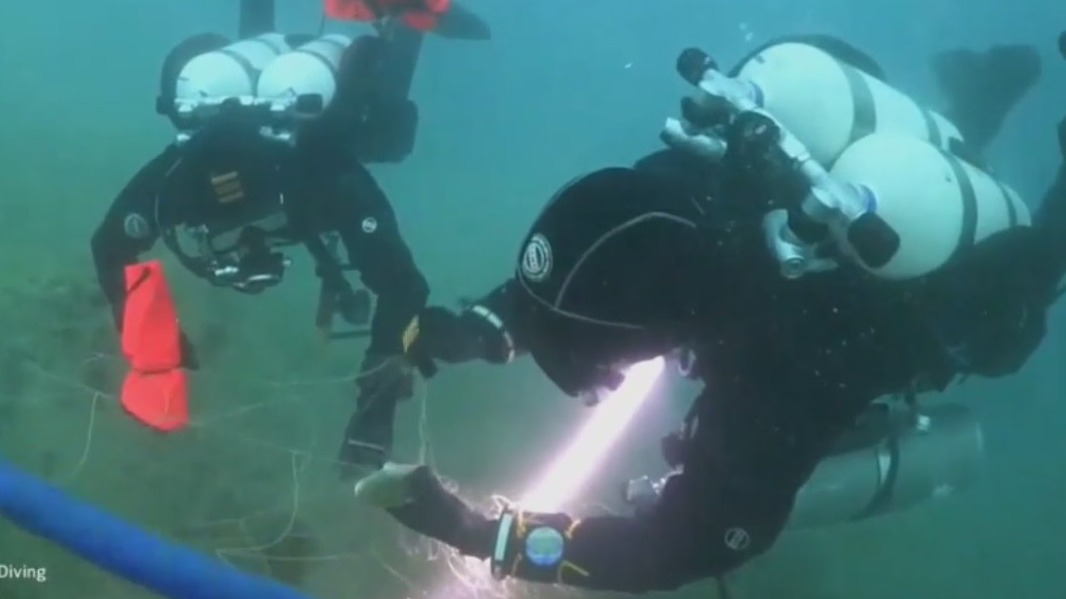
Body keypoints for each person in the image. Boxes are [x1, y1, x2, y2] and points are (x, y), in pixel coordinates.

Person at [351, 35, 1066, 593]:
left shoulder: (787, 372)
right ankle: (978, 105)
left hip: (915, 312)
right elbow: (586, 263)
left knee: (1013, 306)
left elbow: (681, 547)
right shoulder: (675, 188)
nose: (593, 382)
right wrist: (475, 325)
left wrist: (484, 534)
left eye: (587, 365)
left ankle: (1002, 132)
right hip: (878, 206)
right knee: (915, 208)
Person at [91, 1, 430, 455]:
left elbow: (405, 287)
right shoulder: (179, 181)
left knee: (388, 138)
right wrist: (160, 351)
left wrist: (375, 413)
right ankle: (401, 27)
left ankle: (407, 24)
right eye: (232, 234)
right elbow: (402, 287)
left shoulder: (323, 176)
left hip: (315, 121)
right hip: (287, 95)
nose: (244, 244)